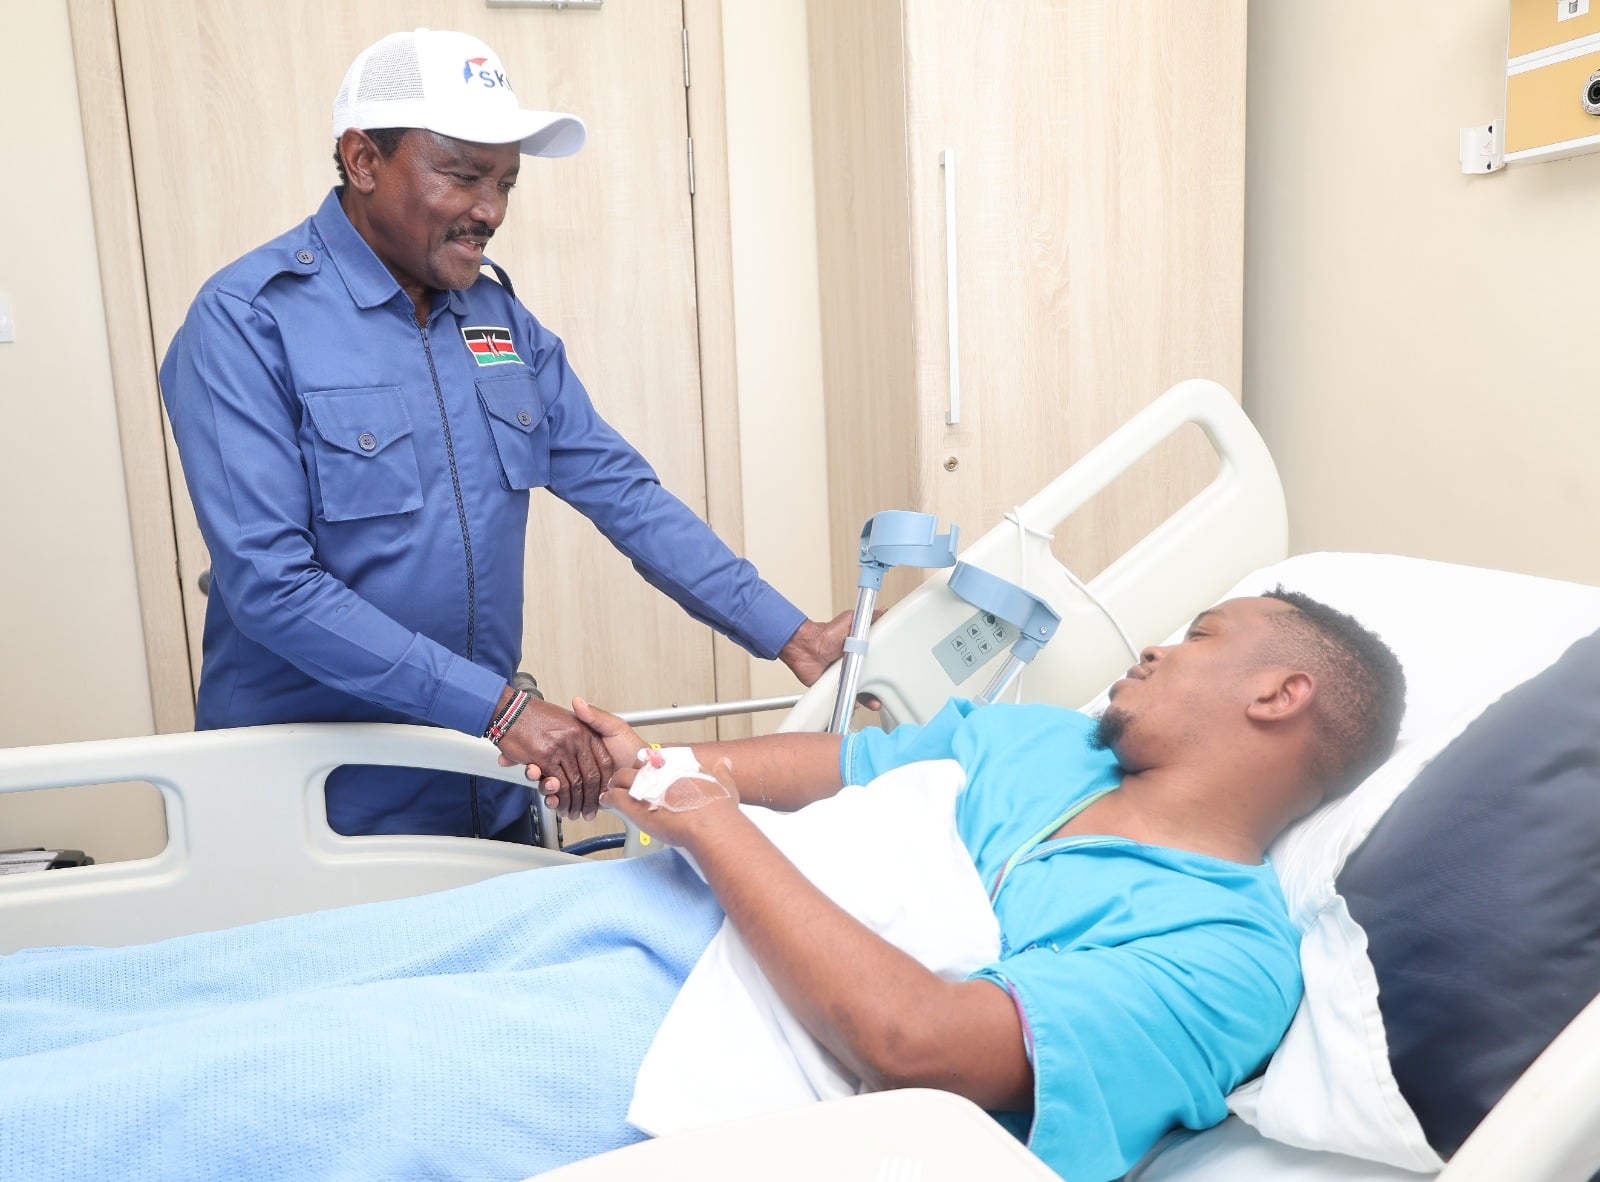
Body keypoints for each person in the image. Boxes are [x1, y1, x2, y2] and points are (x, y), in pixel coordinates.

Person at [0, 589, 1404, 1181]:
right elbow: (842, 768)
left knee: (244, 1085)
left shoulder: (1219, 952)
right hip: (623, 912)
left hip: (690, 1052)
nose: (1152, 646)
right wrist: (663, 767)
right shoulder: (1048, 742)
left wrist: (705, 824)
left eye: (1197, 634)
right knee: (237, 979)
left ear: (1281, 695)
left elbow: (917, 1042)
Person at [156, 27, 852, 842]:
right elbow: (271, 585)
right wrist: (502, 710)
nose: (489, 211)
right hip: (319, 806)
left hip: (481, 784)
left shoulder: (495, 319)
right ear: (363, 160)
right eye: (461, 176)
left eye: (505, 183)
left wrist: (791, 634)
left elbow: (622, 492)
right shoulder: (248, 320)